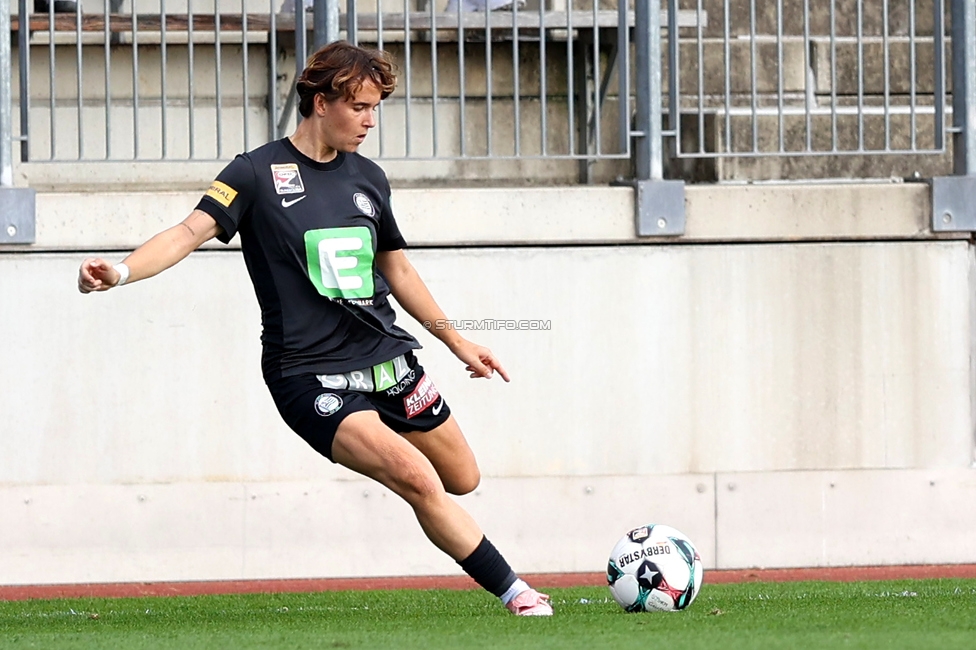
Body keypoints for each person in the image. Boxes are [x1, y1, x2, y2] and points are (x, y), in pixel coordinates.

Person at [77, 40, 552, 617]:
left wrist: (457, 342)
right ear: (320, 102)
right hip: (309, 375)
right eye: (359, 107)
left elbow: (395, 266)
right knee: (417, 479)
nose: (370, 121)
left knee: (461, 478)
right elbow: (186, 232)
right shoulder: (252, 173)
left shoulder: (369, 178)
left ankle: (412, 460)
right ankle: (517, 593)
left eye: (376, 108)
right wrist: (121, 271)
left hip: (388, 359)